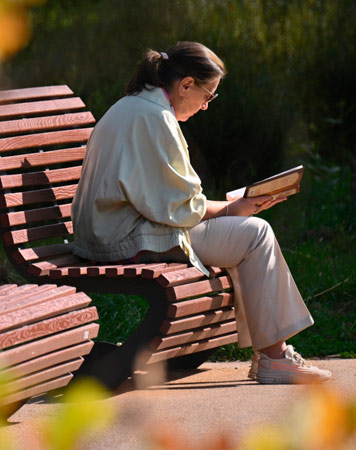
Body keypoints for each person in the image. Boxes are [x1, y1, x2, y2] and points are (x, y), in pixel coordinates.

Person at [71, 41, 331, 384]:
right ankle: (274, 358)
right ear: (186, 85)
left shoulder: (136, 106)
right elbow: (182, 207)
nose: (206, 107)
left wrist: (232, 209)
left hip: (113, 231)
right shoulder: (155, 117)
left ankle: (273, 356)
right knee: (255, 234)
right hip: (124, 239)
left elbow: (170, 201)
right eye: (208, 96)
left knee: (244, 230)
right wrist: (233, 209)